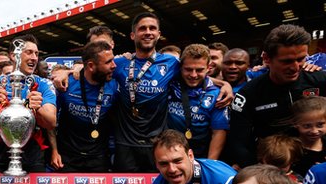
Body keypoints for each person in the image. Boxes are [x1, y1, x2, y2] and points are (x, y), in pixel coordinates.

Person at [53, 12, 233, 172]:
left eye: (152, 28)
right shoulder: (120, 63)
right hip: (125, 144)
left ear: (159, 34)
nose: (148, 32)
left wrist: (224, 84)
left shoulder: (171, 64)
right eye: (142, 28)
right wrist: (68, 71)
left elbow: (195, 73)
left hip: (156, 144)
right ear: (133, 35)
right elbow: (93, 68)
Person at [228, 24, 326, 169]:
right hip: (274, 169)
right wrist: (261, 172)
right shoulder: (248, 94)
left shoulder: (320, 80)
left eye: (300, 59)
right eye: (287, 61)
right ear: (267, 58)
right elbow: (238, 143)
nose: (295, 67)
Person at [0, 34, 57, 172]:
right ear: (13, 55)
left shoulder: (44, 84)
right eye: (29, 52)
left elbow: (51, 122)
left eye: (36, 53)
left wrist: (37, 108)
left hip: (33, 152)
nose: (34, 57)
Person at [51, 41, 117, 172]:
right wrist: (54, 151)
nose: (114, 65)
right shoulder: (65, 85)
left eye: (113, 60)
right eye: (108, 62)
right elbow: (51, 122)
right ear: (91, 66)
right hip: (67, 157)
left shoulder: (114, 85)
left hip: (98, 158)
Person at [167, 44, 229, 159]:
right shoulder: (170, 84)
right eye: (188, 69)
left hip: (201, 155)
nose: (193, 75)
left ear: (208, 68)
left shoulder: (217, 94)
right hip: (170, 153)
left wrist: (210, 164)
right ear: (181, 67)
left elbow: (218, 132)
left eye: (199, 70)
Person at [150, 129, 236, 184]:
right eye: (164, 164)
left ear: (190, 156)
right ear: (157, 164)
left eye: (177, 161)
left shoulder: (223, 180)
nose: (172, 169)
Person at [290, 96, 326, 176]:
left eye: (320, 125)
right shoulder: (289, 148)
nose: (314, 131)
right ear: (295, 124)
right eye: (307, 126)